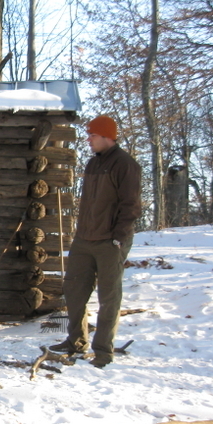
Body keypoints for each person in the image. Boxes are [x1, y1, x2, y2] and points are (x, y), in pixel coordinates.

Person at [50, 115, 142, 368]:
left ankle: (103, 351)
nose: (88, 139)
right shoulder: (93, 163)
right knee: (74, 291)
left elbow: (131, 206)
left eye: (92, 135)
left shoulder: (126, 165)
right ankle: (76, 342)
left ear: (106, 136)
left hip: (110, 242)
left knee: (108, 297)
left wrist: (118, 239)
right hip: (84, 239)